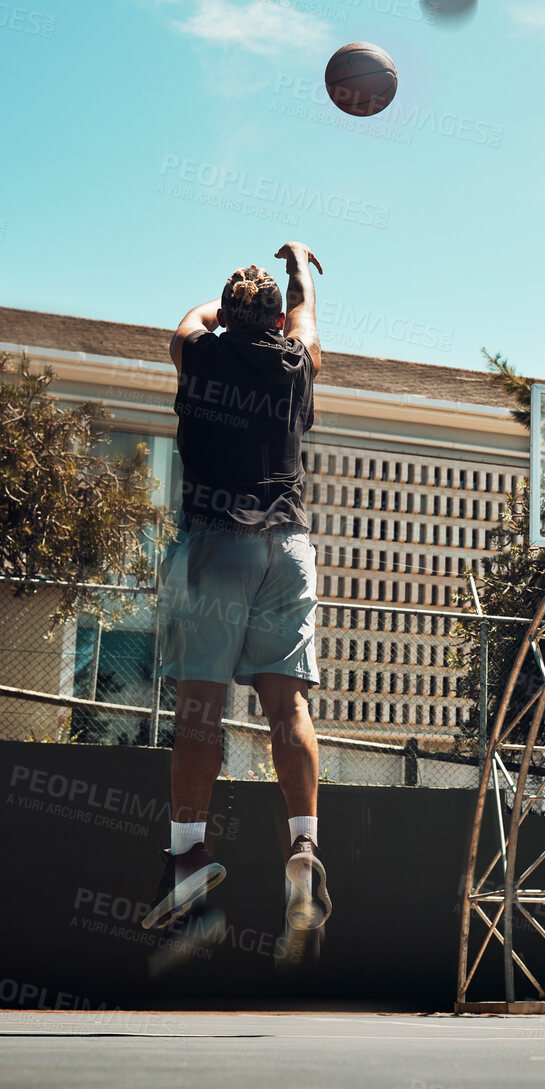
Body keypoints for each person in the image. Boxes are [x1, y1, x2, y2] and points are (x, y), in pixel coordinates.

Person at [142, 241, 331, 936]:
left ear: (227, 316)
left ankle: (188, 856)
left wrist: (220, 310)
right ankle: (304, 846)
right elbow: (307, 320)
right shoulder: (295, 362)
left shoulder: (203, 353)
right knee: (288, 705)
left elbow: (184, 325)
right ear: (277, 321)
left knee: (200, 708)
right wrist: (298, 267)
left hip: (215, 544)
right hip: (287, 549)